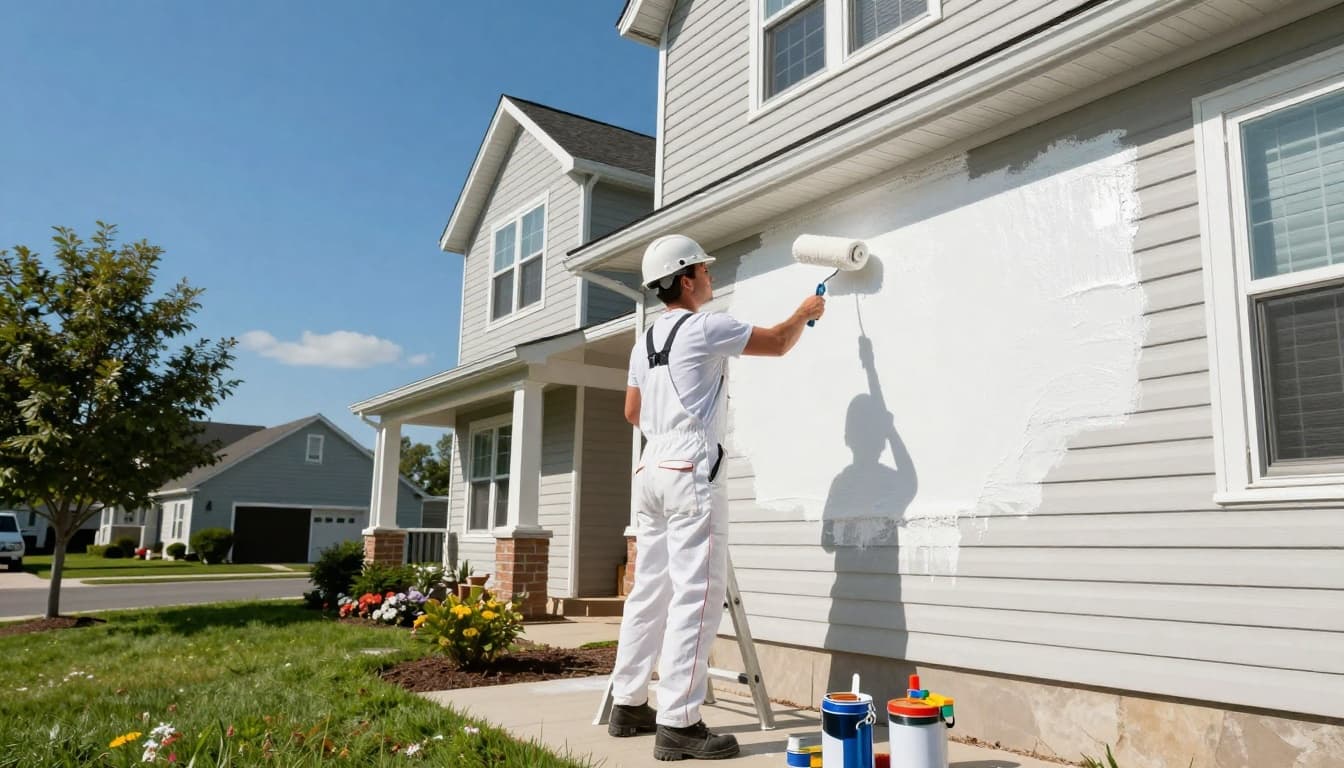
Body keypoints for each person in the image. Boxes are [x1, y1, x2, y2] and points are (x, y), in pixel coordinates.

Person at [607, 234, 826, 761]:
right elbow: (776, 342)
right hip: (688, 467)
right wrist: (805, 310)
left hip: (649, 466)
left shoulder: (644, 340)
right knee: (697, 595)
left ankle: (629, 702)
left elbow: (632, 413)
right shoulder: (706, 325)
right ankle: (679, 722)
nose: (710, 275)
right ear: (685, 279)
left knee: (649, 590)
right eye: (703, 270)